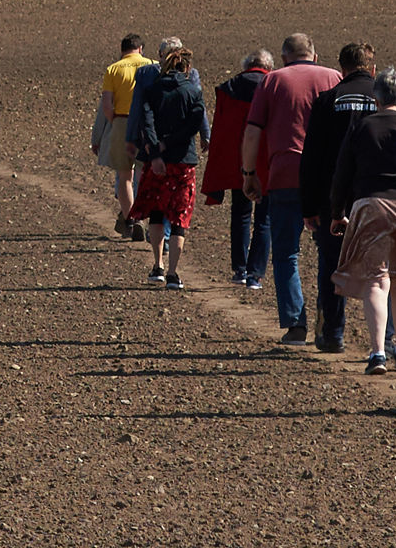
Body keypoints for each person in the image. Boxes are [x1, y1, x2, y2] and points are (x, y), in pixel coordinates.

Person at [243, 35, 344, 342]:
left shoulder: (272, 81)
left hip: (285, 173)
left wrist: (249, 173)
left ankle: (295, 323)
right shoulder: (333, 77)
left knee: (286, 253)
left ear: (284, 57)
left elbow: (252, 132)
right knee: (328, 252)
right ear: (314, 54)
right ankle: (329, 317)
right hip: (326, 178)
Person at [316, 68, 396, 374]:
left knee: (377, 279)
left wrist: (336, 213)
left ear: (376, 99)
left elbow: (342, 174)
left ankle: (377, 353)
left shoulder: (361, 127)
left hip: (370, 206)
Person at [295, 44, 388, 354]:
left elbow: (311, 158)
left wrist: (308, 206)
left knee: (332, 264)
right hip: (378, 196)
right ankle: (387, 339)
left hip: (332, 199)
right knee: (381, 269)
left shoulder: (326, 100)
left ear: (342, 69)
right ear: (373, 69)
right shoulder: (384, 100)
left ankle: (332, 333)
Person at [128, 42, 209, 288]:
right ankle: (173, 272)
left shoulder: (153, 90)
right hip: (183, 161)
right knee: (179, 218)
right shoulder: (192, 92)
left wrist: (155, 151)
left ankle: (157, 266)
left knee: (156, 211)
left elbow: (146, 122)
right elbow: (195, 123)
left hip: (157, 162)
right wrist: (170, 143)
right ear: (185, 66)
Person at [206, 50, 280, 288]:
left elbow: (221, 129)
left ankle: (239, 269)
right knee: (264, 218)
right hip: (267, 161)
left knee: (240, 214)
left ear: (247, 65)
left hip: (238, 161)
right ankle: (255, 274)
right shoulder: (274, 87)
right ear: (268, 66)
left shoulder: (229, 88)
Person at [96, 33, 153, 239]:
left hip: (121, 120)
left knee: (124, 176)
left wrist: (115, 122)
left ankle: (131, 218)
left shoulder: (113, 69)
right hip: (146, 123)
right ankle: (145, 219)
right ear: (140, 49)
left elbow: (106, 104)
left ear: (122, 50)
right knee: (145, 173)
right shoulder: (152, 65)